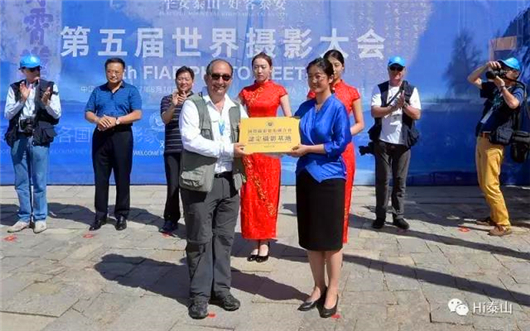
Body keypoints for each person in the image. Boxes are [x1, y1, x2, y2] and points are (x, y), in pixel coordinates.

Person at [179, 59, 250, 319]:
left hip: (230, 181)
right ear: (207, 78)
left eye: (226, 77)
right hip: (200, 183)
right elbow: (190, 140)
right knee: (199, 239)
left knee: (224, 239)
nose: (221, 82)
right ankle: (199, 295)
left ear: (231, 79)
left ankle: (221, 289)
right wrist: (227, 149)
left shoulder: (236, 108)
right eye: (216, 76)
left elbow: (250, 138)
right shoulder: (192, 105)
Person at [290, 58, 351, 318]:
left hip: (329, 178)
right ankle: (318, 286)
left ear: (330, 77)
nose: (314, 80)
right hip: (305, 174)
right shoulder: (303, 107)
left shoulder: (337, 108)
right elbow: (288, 134)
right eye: (310, 76)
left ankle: (333, 290)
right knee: (312, 238)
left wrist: (308, 149)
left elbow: (340, 143)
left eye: (319, 75)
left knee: (331, 239)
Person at [238, 52, 292, 262]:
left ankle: (266, 241)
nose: (259, 70)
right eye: (256, 67)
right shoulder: (245, 92)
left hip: (270, 152)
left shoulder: (279, 91)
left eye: (263, 66)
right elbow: (235, 114)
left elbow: (288, 119)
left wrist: (289, 140)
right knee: (250, 197)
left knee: (268, 196)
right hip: (250, 152)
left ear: (271, 69)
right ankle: (254, 241)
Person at [307, 49, 364, 243]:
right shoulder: (313, 92)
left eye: (337, 65)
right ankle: (323, 240)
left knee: (341, 197)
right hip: (319, 151)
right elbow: (308, 121)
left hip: (343, 150)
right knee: (320, 198)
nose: (334, 69)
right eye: (329, 65)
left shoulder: (351, 92)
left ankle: (339, 240)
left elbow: (359, 123)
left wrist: (342, 135)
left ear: (342, 67)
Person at [467, 57, 525, 236]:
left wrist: (501, 86)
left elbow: (514, 104)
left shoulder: (518, 88)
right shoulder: (495, 88)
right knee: (484, 182)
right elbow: (472, 79)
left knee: (491, 183)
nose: (502, 71)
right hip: (482, 138)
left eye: (506, 69)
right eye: (501, 67)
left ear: (515, 73)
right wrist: (486, 66)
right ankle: (494, 215)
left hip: (494, 142)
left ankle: (503, 223)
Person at [4, 55, 61, 234]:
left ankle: (40, 217)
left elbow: (57, 114)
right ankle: (23, 217)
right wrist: (22, 100)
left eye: (38, 68)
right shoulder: (14, 88)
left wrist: (47, 103)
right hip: (19, 137)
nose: (36, 72)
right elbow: (7, 114)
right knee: (21, 180)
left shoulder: (49, 87)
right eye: (31, 69)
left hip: (38, 137)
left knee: (39, 179)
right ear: (23, 71)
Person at [84, 58, 142, 231]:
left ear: (123, 72)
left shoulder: (131, 91)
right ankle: (100, 215)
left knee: (122, 177)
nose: (113, 74)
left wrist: (117, 120)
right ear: (105, 72)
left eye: (117, 71)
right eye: (110, 71)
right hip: (101, 135)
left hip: (122, 135)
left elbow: (137, 113)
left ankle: (122, 214)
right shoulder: (98, 91)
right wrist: (98, 119)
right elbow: (88, 112)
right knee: (100, 177)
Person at [370, 56, 421, 230]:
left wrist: (404, 105)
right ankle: (380, 215)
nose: (396, 72)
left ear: (404, 71)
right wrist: (393, 108)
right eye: (393, 68)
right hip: (383, 141)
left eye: (400, 69)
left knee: (400, 180)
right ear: (388, 70)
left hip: (403, 142)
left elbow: (417, 114)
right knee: (382, 180)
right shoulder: (380, 89)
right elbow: (375, 112)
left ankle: (398, 215)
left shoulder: (411, 90)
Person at [159, 66, 195, 234]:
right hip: (172, 150)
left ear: (192, 82)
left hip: (193, 150)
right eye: (181, 78)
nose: (183, 82)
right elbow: (165, 120)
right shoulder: (167, 99)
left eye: (187, 79)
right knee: (173, 186)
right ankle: (170, 219)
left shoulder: (198, 100)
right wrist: (174, 106)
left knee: (191, 187)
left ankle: (192, 219)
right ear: (175, 80)